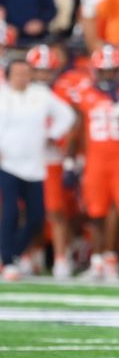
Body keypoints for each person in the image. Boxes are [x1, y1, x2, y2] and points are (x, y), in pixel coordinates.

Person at [70, 46, 119, 281]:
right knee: (96, 212)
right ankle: (99, 261)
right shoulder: (85, 94)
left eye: (111, 71)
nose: (107, 76)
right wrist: (73, 159)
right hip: (96, 159)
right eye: (103, 71)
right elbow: (78, 129)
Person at [0, 59, 75, 280]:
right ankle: (8, 260)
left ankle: (12, 253)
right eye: (17, 74)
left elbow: (67, 115)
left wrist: (52, 135)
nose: (22, 78)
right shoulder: (2, 96)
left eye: (25, 73)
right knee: (10, 212)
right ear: (8, 76)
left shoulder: (41, 95)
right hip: (7, 163)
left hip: (34, 164)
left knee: (36, 216)